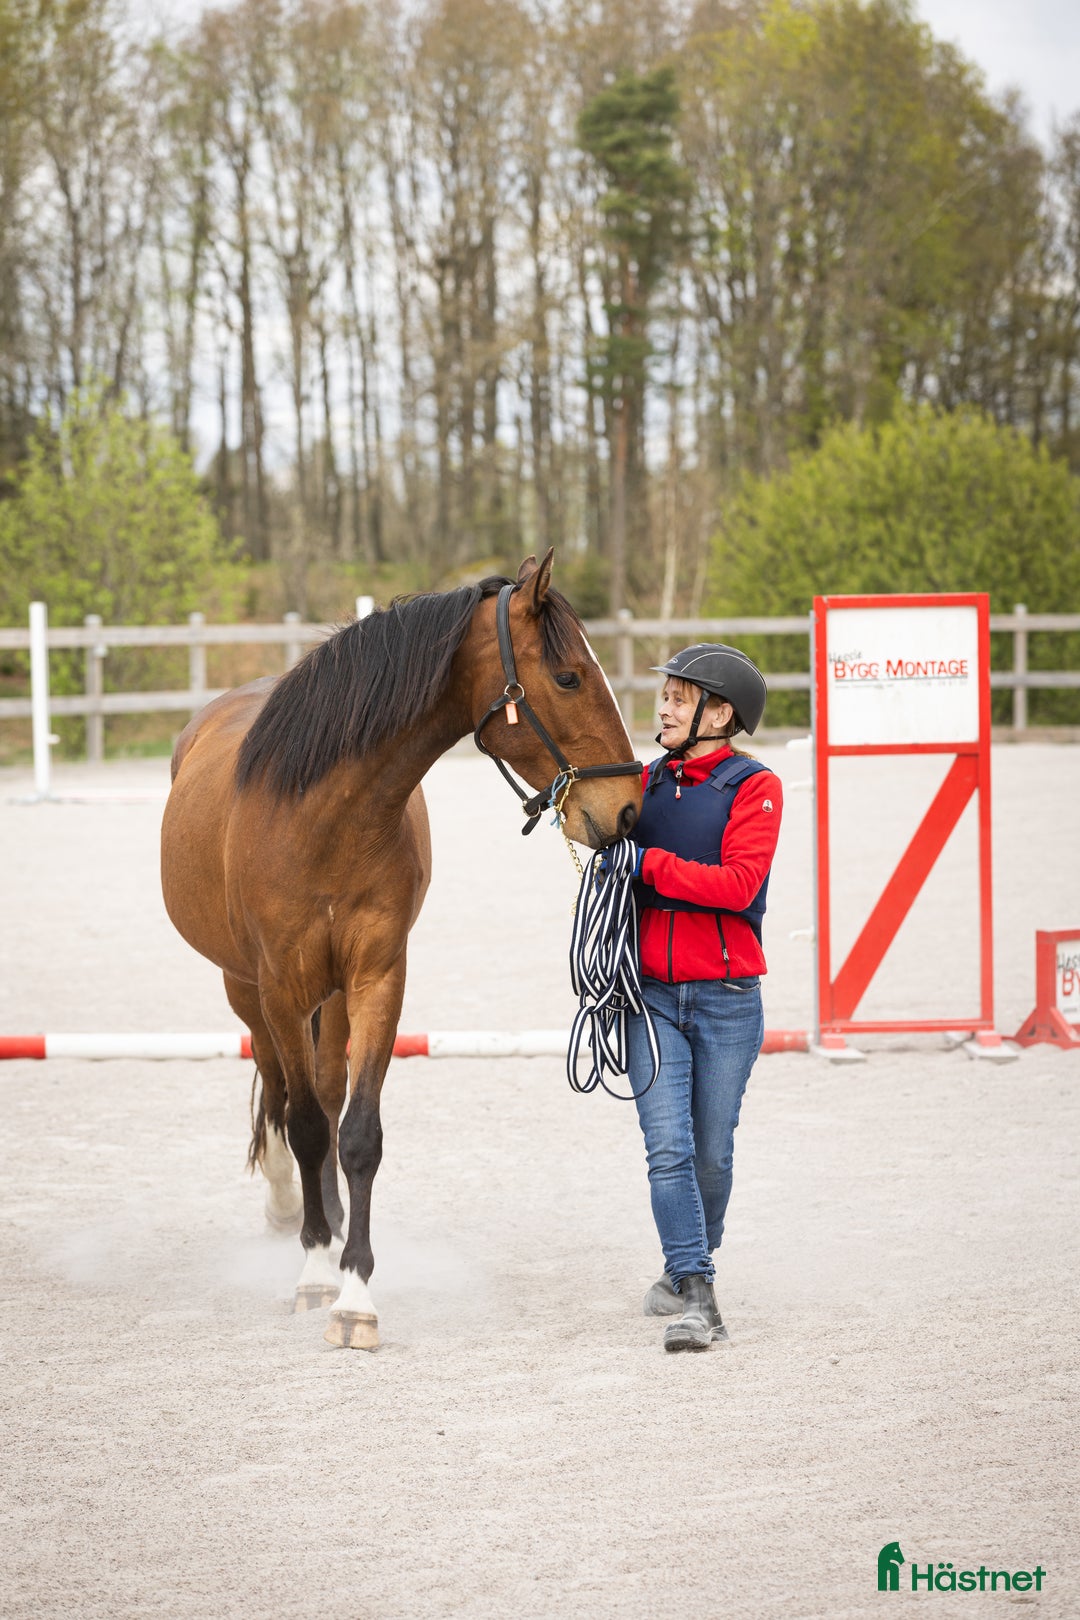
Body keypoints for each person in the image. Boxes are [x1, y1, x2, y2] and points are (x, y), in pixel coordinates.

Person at [623, 643, 782, 1352]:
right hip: (648, 996)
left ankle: (685, 1267)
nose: (663, 705)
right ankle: (699, 1294)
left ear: (720, 714)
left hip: (726, 998)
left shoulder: (756, 787)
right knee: (668, 1151)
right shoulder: (644, 783)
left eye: (680, 698)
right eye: (665, 694)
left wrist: (648, 864)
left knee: (711, 1155)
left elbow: (739, 885)